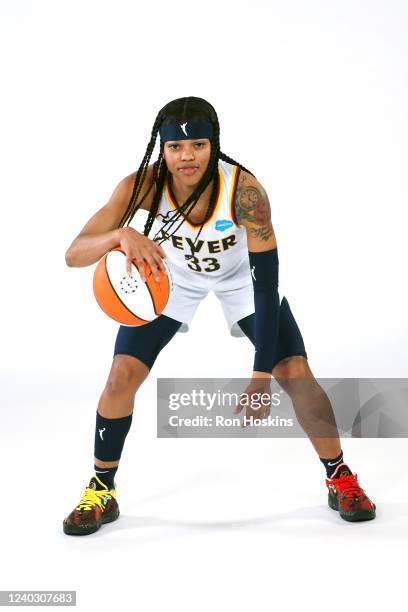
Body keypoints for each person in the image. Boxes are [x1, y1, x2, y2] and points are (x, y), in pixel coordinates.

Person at [63, 96, 376, 535]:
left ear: (214, 145)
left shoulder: (245, 191)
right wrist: (121, 234)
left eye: (198, 145)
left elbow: (266, 286)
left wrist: (260, 374)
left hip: (240, 280)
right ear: (163, 149)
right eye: (176, 148)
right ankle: (101, 489)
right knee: (120, 375)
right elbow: (73, 254)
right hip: (168, 278)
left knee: (296, 371)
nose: (187, 156)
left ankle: (339, 476)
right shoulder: (143, 185)